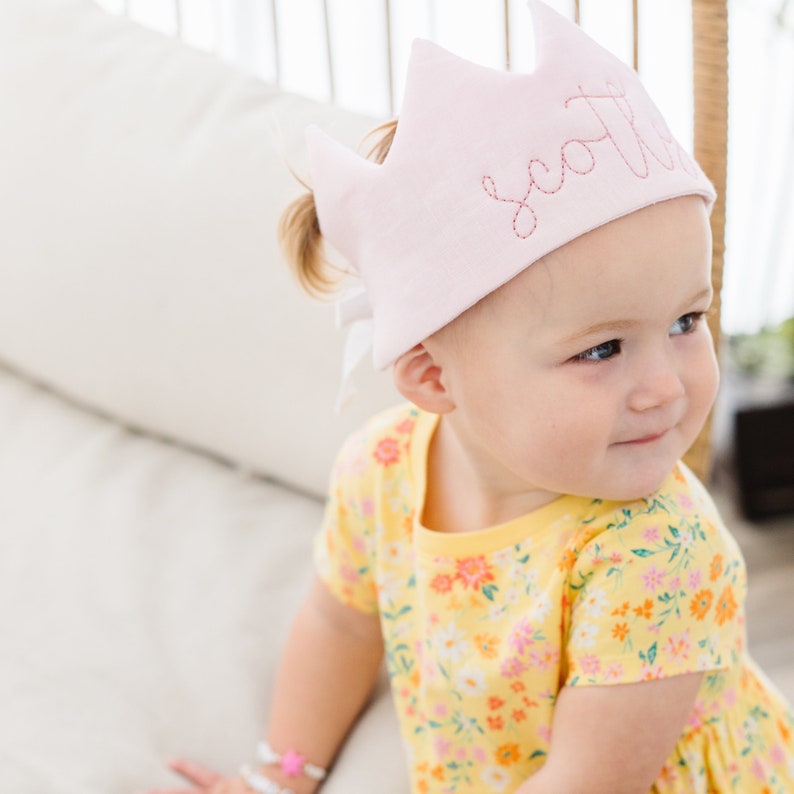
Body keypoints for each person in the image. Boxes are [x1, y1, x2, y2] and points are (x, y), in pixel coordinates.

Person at [146, 2, 794, 792]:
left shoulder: (659, 554)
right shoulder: (380, 471)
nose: (667, 386)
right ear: (432, 376)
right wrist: (283, 776)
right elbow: (340, 623)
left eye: (687, 320)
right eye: (602, 348)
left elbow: (587, 781)